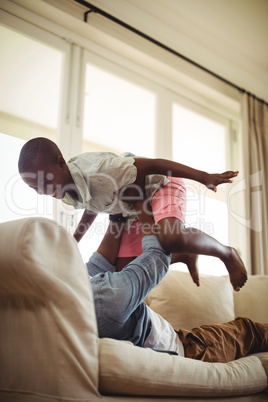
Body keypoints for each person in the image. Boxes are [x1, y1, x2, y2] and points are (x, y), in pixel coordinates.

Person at [18, 137, 247, 291]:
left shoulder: (102, 170)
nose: (42, 192)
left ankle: (226, 253)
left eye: (43, 183)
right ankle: (184, 255)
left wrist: (203, 176)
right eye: (34, 188)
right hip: (129, 205)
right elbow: (93, 205)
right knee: (124, 271)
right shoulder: (64, 190)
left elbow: (153, 165)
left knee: (170, 237)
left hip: (159, 185)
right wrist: (73, 240)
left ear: (60, 163)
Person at [87, 205, 267, 363]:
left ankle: (184, 255)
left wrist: (117, 214)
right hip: (187, 351)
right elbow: (157, 254)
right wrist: (139, 202)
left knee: (120, 268)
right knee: (249, 330)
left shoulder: (77, 292)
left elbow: (100, 263)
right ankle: (223, 253)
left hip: (167, 335)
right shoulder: (106, 302)